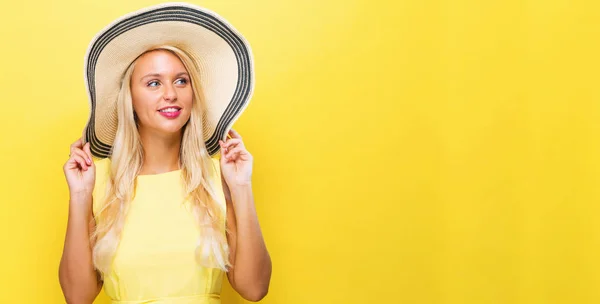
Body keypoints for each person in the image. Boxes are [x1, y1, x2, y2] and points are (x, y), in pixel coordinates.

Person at [58, 3, 271, 303]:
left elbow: (255, 288)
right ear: (129, 97)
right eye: (154, 83)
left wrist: (241, 187)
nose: (170, 93)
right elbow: (77, 297)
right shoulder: (99, 183)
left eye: (181, 81)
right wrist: (80, 196)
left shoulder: (218, 177)